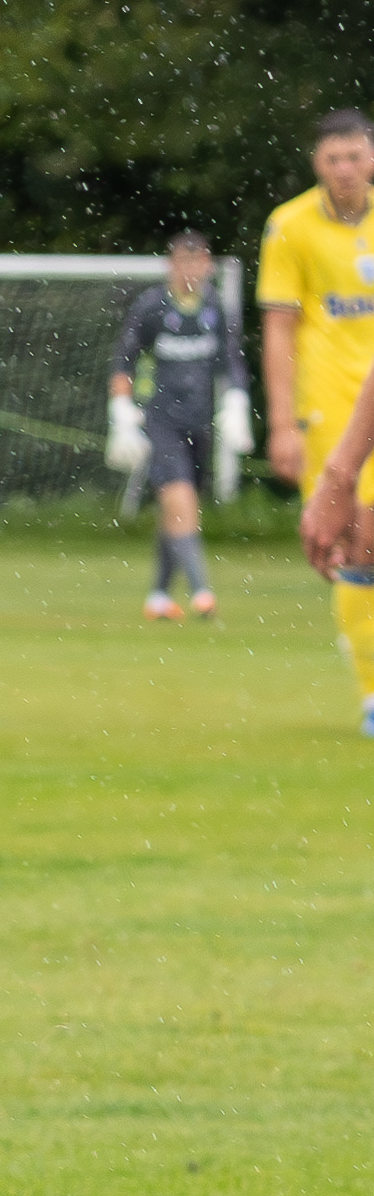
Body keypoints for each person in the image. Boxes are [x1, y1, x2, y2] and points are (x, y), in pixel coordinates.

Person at [257, 109, 374, 731]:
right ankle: (371, 693)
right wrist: (282, 423)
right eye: (334, 159)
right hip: (333, 409)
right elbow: (280, 329)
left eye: (356, 156)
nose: (347, 170)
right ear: (317, 165)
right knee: (357, 544)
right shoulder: (290, 227)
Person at [108, 230, 249, 620]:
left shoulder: (216, 308)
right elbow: (124, 362)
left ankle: (158, 596)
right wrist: (121, 414)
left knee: (179, 512)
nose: (191, 270)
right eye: (183, 261)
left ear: (208, 265)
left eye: (199, 261)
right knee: (180, 503)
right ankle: (202, 591)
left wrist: (237, 401)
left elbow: (232, 361)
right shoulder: (151, 307)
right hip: (160, 421)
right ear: (171, 265)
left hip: (199, 424)